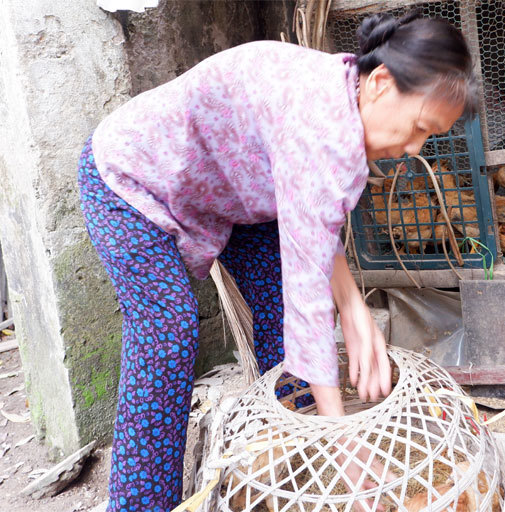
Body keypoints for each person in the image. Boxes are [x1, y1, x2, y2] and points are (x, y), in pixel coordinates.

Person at [78, 9, 478, 512]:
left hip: (236, 192)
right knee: (169, 333)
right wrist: (344, 441)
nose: (414, 148)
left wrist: (354, 310)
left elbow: (314, 227)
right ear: (379, 82)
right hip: (130, 178)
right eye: (419, 127)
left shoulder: (345, 96)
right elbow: (307, 298)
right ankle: (140, 505)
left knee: (280, 333)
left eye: (430, 137)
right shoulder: (320, 124)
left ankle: (285, 456)